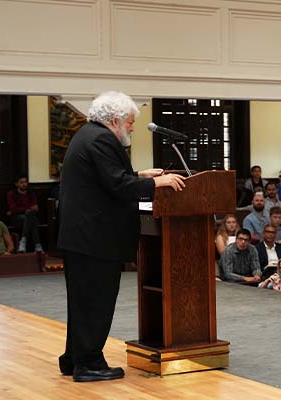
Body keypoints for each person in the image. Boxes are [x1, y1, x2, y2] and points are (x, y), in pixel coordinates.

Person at [57, 91, 185, 382]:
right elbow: (117, 185)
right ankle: (88, 364)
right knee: (96, 302)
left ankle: (74, 358)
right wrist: (156, 182)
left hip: (83, 238)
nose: (132, 128)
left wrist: (139, 173)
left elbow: (103, 179)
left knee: (82, 302)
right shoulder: (102, 139)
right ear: (114, 120)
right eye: (129, 122)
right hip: (95, 240)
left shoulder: (87, 135)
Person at [6, 175, 43, 252]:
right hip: (17, 218)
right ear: (16, 184)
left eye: (25, 182)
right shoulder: (11, 193)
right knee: (30, 217)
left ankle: (23, 241)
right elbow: (13, 209)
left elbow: (36, 208)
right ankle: (37, 245)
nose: (24, 184)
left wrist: (25, 210)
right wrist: (28, 209)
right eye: (21, 182)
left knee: (29, 216)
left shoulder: (31, 193)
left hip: (30, 217)